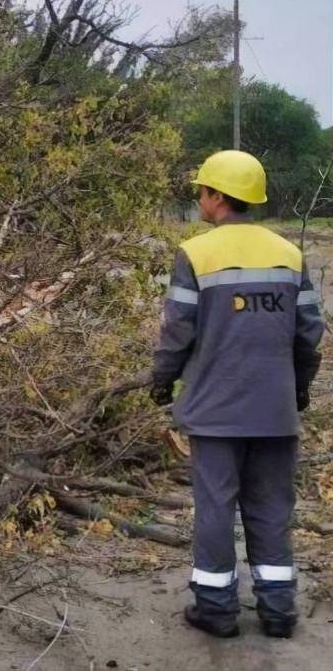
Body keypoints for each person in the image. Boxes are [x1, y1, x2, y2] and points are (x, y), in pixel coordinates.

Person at [151, 149, 324, 639]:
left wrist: (161, 380)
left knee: (215, 508)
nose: (199, 199)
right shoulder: (289, 255)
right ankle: (277, 609)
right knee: (271, 507)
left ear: (218, 196)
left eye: (202, 191)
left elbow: (177, 332)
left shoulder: (196, 254)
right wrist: (300, 388)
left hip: (215, 411)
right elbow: (310, 331)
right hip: (275, 409)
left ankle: (216, 608)